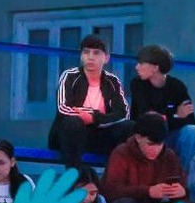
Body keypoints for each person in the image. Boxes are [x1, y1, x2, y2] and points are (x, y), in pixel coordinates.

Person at [101, 113, 188, 203]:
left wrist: (182, 191)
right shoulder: (121, 153)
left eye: (159, 144)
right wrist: (148, 191)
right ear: (138, 137)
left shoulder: (169, 156)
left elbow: (182, 183)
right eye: (150, 144)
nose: (156, 149)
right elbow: (110, 190)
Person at [46, 33, 132, 166]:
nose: (90, 57)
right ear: (81, 56)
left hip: (97, 135)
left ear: (106, 58)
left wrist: (94, 117)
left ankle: (115, 173)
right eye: (86, 52)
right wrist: (87, 116)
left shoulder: (112, 81)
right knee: (73, 122)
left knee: (129, 127)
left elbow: (122, 113)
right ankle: (75, 173)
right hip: (68, 135)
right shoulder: (70, 76)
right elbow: (63, 108)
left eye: (96, 53)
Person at [128, 44, 195, 164]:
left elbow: (190, 120)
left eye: (141, 63)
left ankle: (185, 175)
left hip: (170, 136)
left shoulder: (177, 86)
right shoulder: (137, 84)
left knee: (193, 132)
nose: (137, 67)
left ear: (155, 67)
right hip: (145, 135)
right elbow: (148, 121)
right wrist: (176, 116)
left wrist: (166, 117)